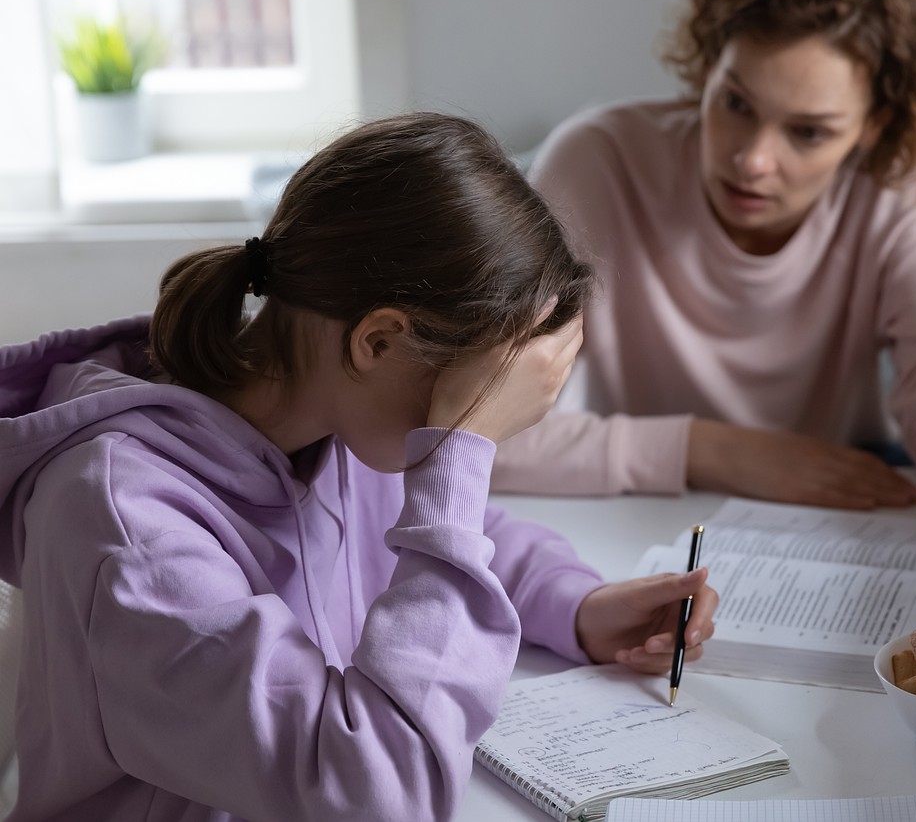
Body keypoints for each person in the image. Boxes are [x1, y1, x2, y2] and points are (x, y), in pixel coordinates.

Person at [0, 113, 718, 821]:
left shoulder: (330, 426)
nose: (463, 429)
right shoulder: (128, 528)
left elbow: (452, 534)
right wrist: (456, 451)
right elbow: (379, 793)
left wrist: (582, 607)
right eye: (470, 397)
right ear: (378, 342)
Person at [492, 0, 916, 510]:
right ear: (707, 71)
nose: (752, 160)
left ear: (872, 127)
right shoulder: (598, 161)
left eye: (807, 132)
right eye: (735, 103)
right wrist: (710, 449)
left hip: (822, 529)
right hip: (632, 516)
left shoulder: (901, 189)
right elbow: (469, 429)